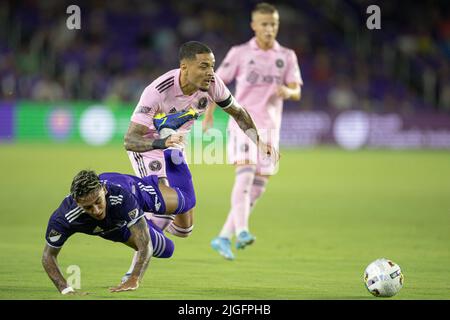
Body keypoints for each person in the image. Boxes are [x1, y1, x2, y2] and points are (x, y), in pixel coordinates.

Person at [124, 41, 278, 239]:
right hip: (148, 147)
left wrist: (259, 141)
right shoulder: (158, 91)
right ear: (184, 68)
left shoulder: (213, 84)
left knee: (183, 229)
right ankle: (136, 259)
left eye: (212, 66)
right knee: (165, 206)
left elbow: (238, 113)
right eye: (204, 66)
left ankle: (143, 209)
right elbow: (130, 139)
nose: (210, 72)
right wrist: (162, 143)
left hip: (175, 147)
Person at [203, 3, 303, 260]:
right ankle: (243, 231)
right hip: (242, 122)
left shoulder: (287, 56)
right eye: (265, 24)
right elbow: (216, 81)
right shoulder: (240, 53)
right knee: (245, 175)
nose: (270, 29)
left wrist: (287, 92)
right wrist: (209, 114)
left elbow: (296, 89)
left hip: (270, 130)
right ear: (254, 26)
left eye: (274, 24)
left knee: (257, 188)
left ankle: (223, 237)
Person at [42, 148, 195, 294]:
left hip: (136, 193)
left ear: (104, 190)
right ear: (76, 203)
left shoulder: (121, 196)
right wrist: (66, 290)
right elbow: (48, 256)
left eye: (98, 202)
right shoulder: (64, 218)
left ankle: (171, 151)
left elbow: (144, 244)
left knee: (187, 201)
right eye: (88, 207)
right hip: (116, 226)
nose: (96, 211)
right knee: (167, 250)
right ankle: (139, 220)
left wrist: (134, 278)